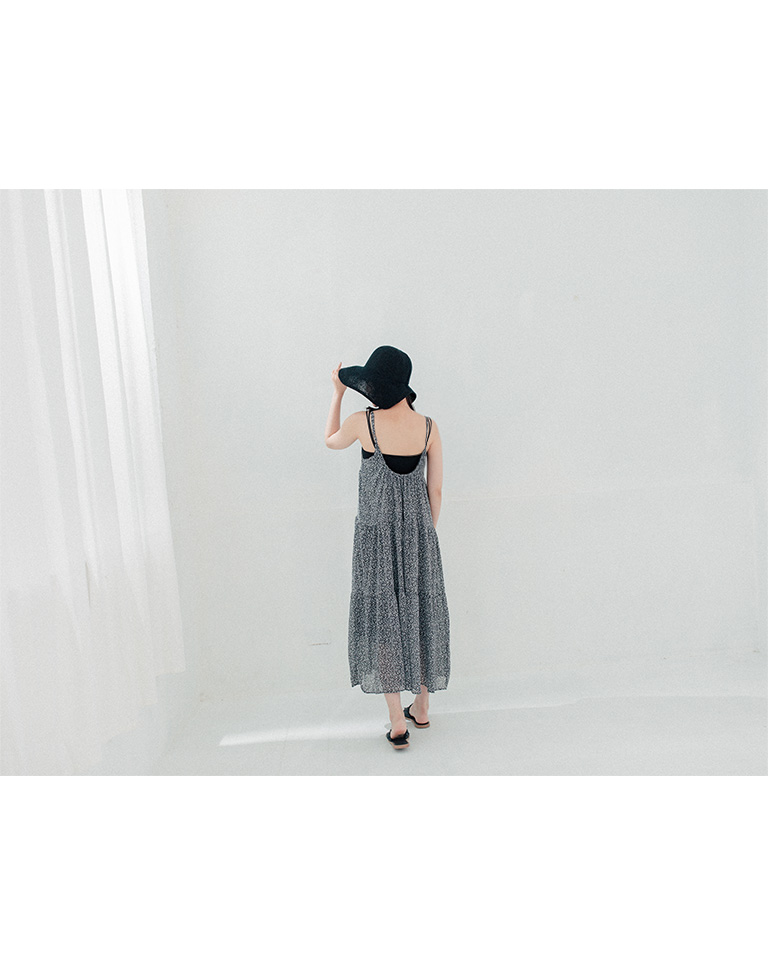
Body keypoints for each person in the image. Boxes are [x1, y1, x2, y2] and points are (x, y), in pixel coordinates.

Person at [324, 345, 451, 750]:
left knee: (385, 622)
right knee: (421, 614)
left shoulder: (363, 423)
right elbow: (435, 490)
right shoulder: (428, 427)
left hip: (376, 542)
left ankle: (397, 721)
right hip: (420, 538)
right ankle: (423, 706)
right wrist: (423, 535)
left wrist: (337, 394)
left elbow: (330, 441)